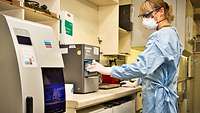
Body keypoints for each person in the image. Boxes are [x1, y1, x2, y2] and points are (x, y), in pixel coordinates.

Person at [86, 0, 183, 113]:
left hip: (158, 102)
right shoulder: (172, 33)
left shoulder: (161, 37)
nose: (144, 20)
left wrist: (106, 70)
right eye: (143, 16)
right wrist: (136, 83)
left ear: (161, 11)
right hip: (165, 100)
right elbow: (155, 68)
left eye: (147, 15)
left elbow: (142, 67)